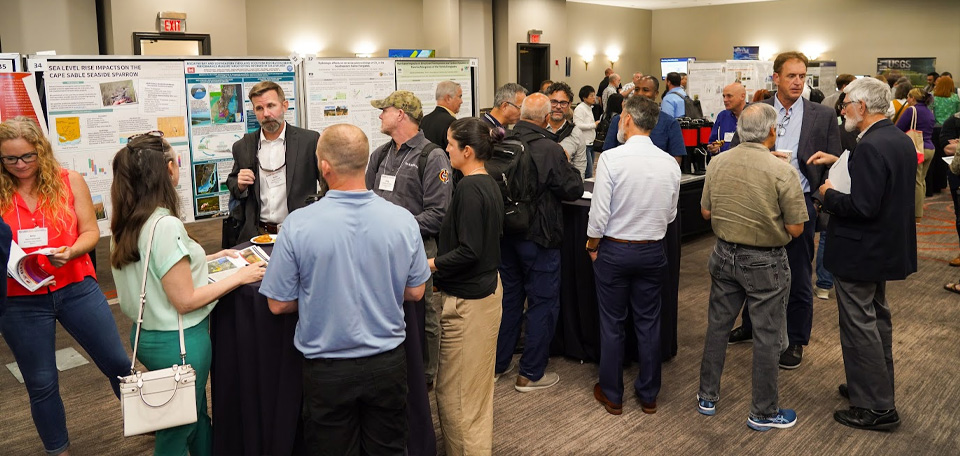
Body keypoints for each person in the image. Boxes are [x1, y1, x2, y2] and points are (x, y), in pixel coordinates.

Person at [263, 124, 431, 453]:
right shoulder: (403, 220)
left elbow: (278, 305)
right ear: (366, 162)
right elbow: (416, 292)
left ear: (324, 167)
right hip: (388, 363)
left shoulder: (298, 223)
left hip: (327, 369)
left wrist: (320, 295)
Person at [110, 132, 267, 455]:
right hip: (179, 341)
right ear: (168, 170)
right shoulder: (164, 225)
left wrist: (207, 259)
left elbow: (154, 269)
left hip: (148, 334)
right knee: (178, 429)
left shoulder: (127, 220)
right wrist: (240, 276)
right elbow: (185, 300)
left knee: (192, 415)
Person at [0, 117, 130, 456]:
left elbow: (90, 232)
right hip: (20, 300)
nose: (20, 165)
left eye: (27, 156)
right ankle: (59, 451)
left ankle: (147, 423)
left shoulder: (68, 181)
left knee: (118, 363)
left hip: (75, 286)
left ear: (41, 151)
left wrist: (71, 250)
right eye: (10, 159)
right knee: (41, 383)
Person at [807, 76, 916, 431]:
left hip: (860, 249)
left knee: (860, 327)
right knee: (876, 321)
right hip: (881, 248)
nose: (843, 110)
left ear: (863, 107)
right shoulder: (894, 137)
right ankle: (871, 387)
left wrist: (827, 193)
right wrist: (841, 160)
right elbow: (878, 181)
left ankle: (877, 407)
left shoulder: (870, 145)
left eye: (847, 104)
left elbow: (864, 205)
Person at [727, 52, 842, 370]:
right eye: (791, 75)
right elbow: (737, 149)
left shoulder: (822, 115)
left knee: (798, 275)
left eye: (802, 76)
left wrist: (818, 201)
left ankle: (795, 339)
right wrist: (763, 155)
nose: (798, 81)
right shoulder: (756, 112)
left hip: (801, 202)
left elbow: (836, 159)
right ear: (775, 77)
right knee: (751, 268)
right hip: (760, 202)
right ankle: (750, 326)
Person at [697, 103, 807, 431]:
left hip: (723, 255)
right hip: (764, 261)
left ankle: (707, 396)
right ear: (772, 133)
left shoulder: (718, 162)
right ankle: (763, 412)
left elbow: (705, 213)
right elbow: (797, 228)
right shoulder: (781, 171)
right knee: (768, 335)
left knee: (718, 327)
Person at [587, 95, 680, 416]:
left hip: (614, 249)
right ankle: (649, 394)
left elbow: (599, 215)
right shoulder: (669, 162)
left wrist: (591, 246)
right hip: (653, 250)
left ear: (626, 119)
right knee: (649, 323)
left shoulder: (611, 159)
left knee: (612, 324)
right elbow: (670, 215)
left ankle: (613, 395)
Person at [495, 93, 583, 391]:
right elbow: (571, 188)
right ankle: (530, 373)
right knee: (542, 302)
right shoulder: (549, 148)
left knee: (509, 300)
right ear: (546, 118)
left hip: (506, 233)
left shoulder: (500, 141)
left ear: (520, 115)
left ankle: (499, 363)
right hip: (539, 235)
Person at [428, 117, 505, 455]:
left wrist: (430, 264)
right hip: (482, 294)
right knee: (471, 395)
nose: (445, 150)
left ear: (468, 151)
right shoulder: (486, 182)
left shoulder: (471, 188)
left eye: (449, 144)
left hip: (470, 304)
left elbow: (469, 251)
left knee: (458, 398)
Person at [366, 90, 452, 391]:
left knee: (425, 312)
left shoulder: (433, 155)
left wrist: (394, 227)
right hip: (378, 250)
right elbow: (365, 201)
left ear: (401, 114)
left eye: (383, 110)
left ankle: (426, 375)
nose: (379, 115)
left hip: (416, 249)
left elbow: (439, 214)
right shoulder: (380, 155)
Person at [225, 81, 322, 247]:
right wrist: (239, 185)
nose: (266, 114)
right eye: (259, 108)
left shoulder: (309, 141)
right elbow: (233, 183)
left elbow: (328, 183)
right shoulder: (243, 146)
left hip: (300, 234)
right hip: (259, 235)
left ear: (284, 106)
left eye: (271, 106)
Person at [894, 88, 935, 222]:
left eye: (908, 97)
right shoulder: (929, 112)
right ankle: (919, 211)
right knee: (921, 181)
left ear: (912, 98)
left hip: (917, 148)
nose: (907, 100)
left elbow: (898, 128)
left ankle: (916, 215)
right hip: (929, 148)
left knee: (916, 181)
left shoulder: (912, 110)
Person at [545, 82, 587, 179]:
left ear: (569, 105)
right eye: (554, 102)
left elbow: (579, 172)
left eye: (563, 103)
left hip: (564, 189)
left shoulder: (576, 133)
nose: (558, 107)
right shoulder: (536, 129)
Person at [941, 112, 960, 270]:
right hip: (957, 178)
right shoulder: (952, 121)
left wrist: (958, 145)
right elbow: (947, 149)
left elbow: (954, 148)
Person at [421, 80, 463, 149]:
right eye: (459, 96)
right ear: (448, 98)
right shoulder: (451, 122)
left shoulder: (424, 120)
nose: (461, 101)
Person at [707, 83, 747, 154]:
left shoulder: (754, 115)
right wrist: (714, 149)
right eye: (724, 96)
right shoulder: (722, 116)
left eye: (729, 96)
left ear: (742, 96)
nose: (725, 100)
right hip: (725, 162)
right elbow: (712, 142)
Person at [574, 85, 599, 178]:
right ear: (584, 97)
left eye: (594, 95)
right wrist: (594, 125)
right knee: (587, 171)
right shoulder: (580, 108)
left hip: (590, 142)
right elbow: (577, 125)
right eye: (591, 95)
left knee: (590, 170)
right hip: (584, 143)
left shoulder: (589, 107)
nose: (594, 98)